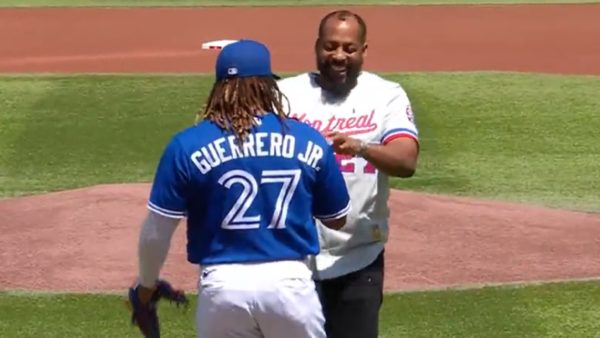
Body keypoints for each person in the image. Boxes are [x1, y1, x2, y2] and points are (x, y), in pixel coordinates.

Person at [131, 39, 351, 338]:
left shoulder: (186, 145)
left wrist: (146, 286)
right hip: (290, 286)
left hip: (222, 288)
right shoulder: (308, 140)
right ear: (268, 86)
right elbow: (337, 217)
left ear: (220, 87)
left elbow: (157, 231)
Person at [277, 10, 420, 338]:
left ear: (364, 51)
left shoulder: (386, 95)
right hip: (291, 261)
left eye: (349, 48)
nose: (339, 55)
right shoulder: (285, 95)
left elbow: (406, 160)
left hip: (358, 258)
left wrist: (360, 147)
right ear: (316, 47)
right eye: (330, 46)